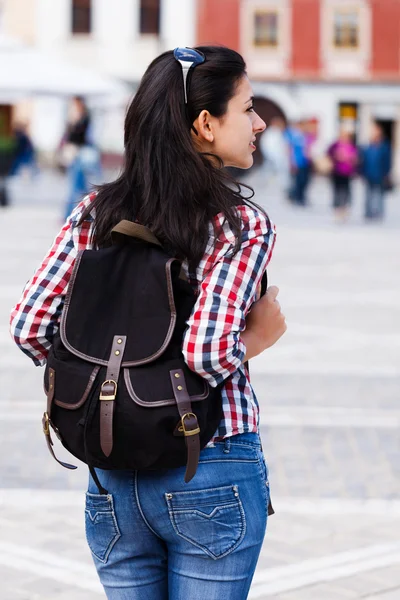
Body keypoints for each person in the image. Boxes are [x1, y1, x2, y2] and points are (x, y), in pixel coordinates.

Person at [10, 46, 287, 599]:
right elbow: (207, 352)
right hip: (206, 459)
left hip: (109, 463)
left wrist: (108, 384)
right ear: (206, 124)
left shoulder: (95, 211)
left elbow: (30, 324)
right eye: (248, 108)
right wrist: (260, 336)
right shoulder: (239, 225)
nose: (258, 123)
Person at [60, 96, 102, 220]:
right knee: (80, 186)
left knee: (76, 186)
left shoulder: (84, 119)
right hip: (76, 155)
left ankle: (71, 214)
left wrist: (74, 121)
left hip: (81, 156)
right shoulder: (76, 118)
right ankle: (84, 212)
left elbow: (80, 137)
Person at [360, 122, 392, 220]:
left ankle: (379, 213)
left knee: (379, 195)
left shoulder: (384, 146)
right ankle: (368, 212)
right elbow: (363, 160)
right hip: (368, 173)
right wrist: (362, 172)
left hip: (380, 174)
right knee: (368, 194)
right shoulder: (368, 146)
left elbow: (387, 161)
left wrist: (386, 173)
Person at [328, 127, 358, 222]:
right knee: (337, 191)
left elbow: (356, 158)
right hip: (337, 172)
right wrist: (336, 156)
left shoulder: (351, 146)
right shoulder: (335, 145)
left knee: (346, 192)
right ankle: (337, 209)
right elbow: (329, 154)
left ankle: (344, 209)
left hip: (347, 173)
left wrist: (351, 159)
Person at [260, 116, 290, 194]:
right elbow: (267, 146)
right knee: (270, 172)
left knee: (282, 173)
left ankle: (283, 187)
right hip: (273, 157)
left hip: (280, 157)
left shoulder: (278, 132)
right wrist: (272, 156)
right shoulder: (270, 133)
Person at [285, 120, 311, 205]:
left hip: (305, 161)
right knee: (298, 181)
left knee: (304, 181)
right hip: (297, 161)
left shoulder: (304, 136)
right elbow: (290, 149)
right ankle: (296, 197)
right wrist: (292, 161)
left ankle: (301, 197)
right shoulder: (294, 135)